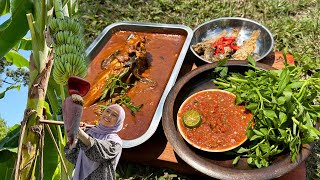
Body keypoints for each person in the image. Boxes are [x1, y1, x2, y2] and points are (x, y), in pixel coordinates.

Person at [64, 104, 125, 180]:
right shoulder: (88, 131)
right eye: (107, 111)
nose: (108, 115)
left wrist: (79, 132)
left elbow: (98, 151)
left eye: (114, 115)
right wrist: (74, 141)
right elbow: (74, 158)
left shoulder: (115, 142)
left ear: (118, 121)